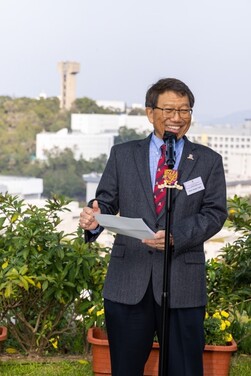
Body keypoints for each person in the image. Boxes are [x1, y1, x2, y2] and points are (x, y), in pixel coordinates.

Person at [79, 78, 227, 375]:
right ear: (150, 112)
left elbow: (214, 213)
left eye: (184, 110)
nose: (177, 117)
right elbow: (105, 202)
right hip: (129, 282)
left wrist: (176, 237)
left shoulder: (208, 161)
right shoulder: (123, 154)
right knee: (125, 369)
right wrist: (94, 219)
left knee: (184, 369)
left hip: (183, 282)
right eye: (169, 109)